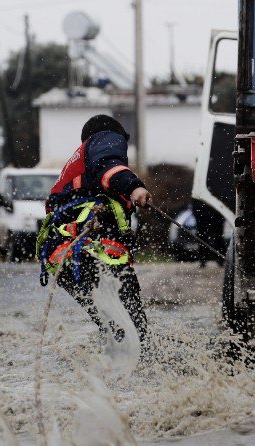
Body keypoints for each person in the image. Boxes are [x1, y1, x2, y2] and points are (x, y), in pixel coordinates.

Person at [37, 115, 152, 346]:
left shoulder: (74, 165)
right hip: (95, 245)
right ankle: (146, 366)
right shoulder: (106, 137)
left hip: (62, 257)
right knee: (134, 325)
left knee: (113, 326)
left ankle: (113, 364)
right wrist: (134, 186)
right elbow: (108, 165)